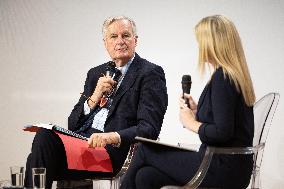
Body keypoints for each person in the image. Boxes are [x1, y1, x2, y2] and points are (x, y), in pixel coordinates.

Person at [24, 16, 168, 189]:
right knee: (42, 144)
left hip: (112, 153)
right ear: (105, 43)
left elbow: (149, 129)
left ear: (135, 40)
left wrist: (110, 137)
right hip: (82, 144)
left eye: (126, 35)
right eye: (114, 37)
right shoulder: (96, 73)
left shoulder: (149, 73)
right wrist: (94, 96)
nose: (120, 41)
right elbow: (73, 124)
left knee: (43, 148)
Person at [120, 15, 256, 189]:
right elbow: (227, 123)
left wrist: (191, 123)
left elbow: (222, 133)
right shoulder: (231, 76)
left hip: (222, 167)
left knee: (145, 150)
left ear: (212, 43)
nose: (199, 47)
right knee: (145, 177)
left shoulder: (223, 78)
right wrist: (198, 110)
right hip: (230, 166)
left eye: (201, 41)